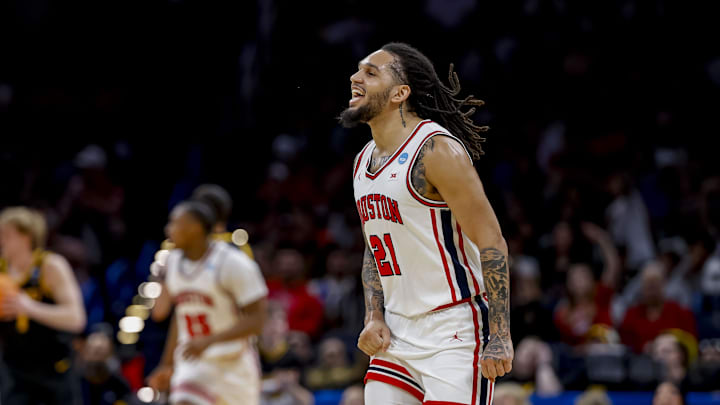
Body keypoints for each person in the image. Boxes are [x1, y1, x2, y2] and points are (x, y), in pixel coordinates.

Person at [342, 42, 513, 404]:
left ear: (400, 93)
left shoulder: (436, 150)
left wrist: (499, 334)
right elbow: (376, 247)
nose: (356, 78)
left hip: (454, 330)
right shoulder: (363, 161)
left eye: (371, 73)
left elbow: (491, 242)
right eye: (358, 70)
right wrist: (374, 315)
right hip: (398, 330)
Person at [147, 200, 268, 405]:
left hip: (233, 363)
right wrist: (167, 364)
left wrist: (208, 341)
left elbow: (257, 321)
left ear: (195, 228)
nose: (169, 229)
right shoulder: (173, 262)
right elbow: (181, 317)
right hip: (193, 363)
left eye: (175, 223)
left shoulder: (233, 263)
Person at [0, 206, 87, 405]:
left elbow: (76, 319)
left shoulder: (50, 266)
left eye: (7, 234)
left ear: (26, 236)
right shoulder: (1, 270)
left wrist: (29, 307)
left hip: (55, 370)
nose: (1, 239)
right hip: (15, 372)